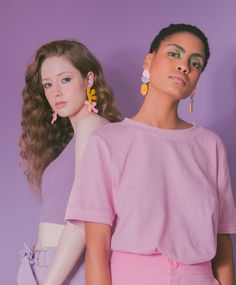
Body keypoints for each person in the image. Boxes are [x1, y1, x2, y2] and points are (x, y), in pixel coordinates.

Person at [65, 24, 236, 285]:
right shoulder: (107, 142)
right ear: (150, 59)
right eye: (174, 54)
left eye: (196, 63)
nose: (184, 66)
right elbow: (97, 247)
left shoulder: (210, 146)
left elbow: (222, 241)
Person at [17, 39, 122, 285]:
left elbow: (85, 217)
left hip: (66, 270)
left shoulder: (91, 125)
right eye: (48, 85)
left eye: (65, 80)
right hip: (46, 266)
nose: (56, 92)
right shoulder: (78, 136)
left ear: (88, 80)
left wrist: (49, 281)